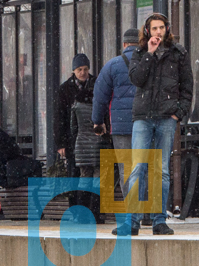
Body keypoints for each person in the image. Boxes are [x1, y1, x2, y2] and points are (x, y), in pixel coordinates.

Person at [126, 12, 193, 237]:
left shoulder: (179, 53)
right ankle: (132, 222)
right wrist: (149, 54)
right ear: (147, 31)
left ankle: (158, 220)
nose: (158, 32)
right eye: (154, 29)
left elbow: (187, 87)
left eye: (161, 28)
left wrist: (178, 113)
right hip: (143, 117)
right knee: (138, 168)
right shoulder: (139, 52)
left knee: (161, 171)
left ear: (167, 30)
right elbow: (136, 79)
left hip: (166, 117)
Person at [92, 29, 139, 233]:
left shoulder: (112, 65)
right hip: (145, 123)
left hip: (120, 126)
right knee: (147, 167)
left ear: (124, 45)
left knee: (126, 171)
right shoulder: (149, 62)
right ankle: (149, 215)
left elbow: (100, 96)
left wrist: (97, 121)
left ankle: (131, 215)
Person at [67, 59, 104, 222]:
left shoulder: (76, 105)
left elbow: (73, 128)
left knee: (83, 179)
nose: (83, 72)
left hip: (81, 145)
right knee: (97, 179)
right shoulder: (99, 105)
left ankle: (82, 214)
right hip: (98, 144)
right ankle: (95, 214)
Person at [55, 54, 94, 178]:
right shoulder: (64, 89)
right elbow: (59, 117)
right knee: (74, 173)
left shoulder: (97, 84)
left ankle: (90, 197)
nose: (83, 73)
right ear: (74, 71)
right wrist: (61, 143)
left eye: (85, 69)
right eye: (79, 70)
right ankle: (76, 197)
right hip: (73, 139)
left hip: (93, 138)